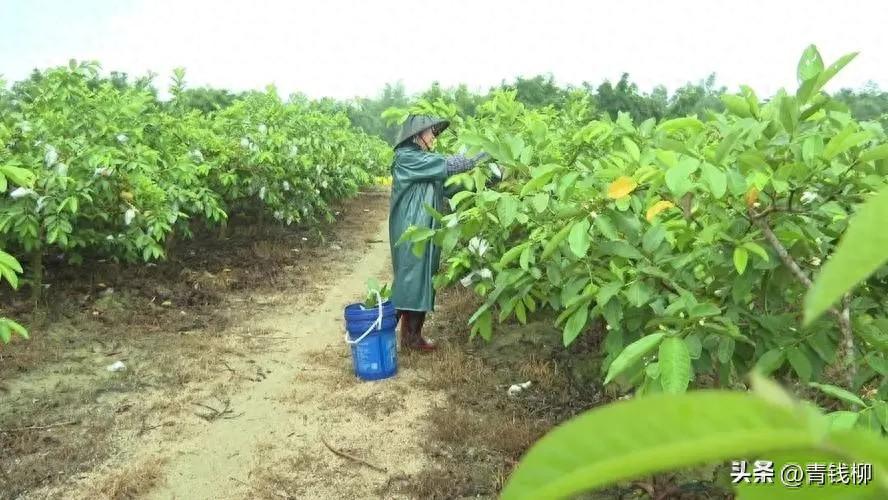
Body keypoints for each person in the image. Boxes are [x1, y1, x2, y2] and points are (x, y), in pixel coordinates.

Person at [388, 115, 496, 352]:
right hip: (411, 227)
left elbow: (454, 184)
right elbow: (450, 165)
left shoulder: (426, 161)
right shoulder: (406, 158)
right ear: (417, 135)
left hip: (427, 229)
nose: (434, 138)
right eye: (431, 134)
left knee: (423, 277)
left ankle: (412, 337)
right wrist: (479, 155)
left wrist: (488, 180)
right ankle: (380, 333)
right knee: (409, 278)